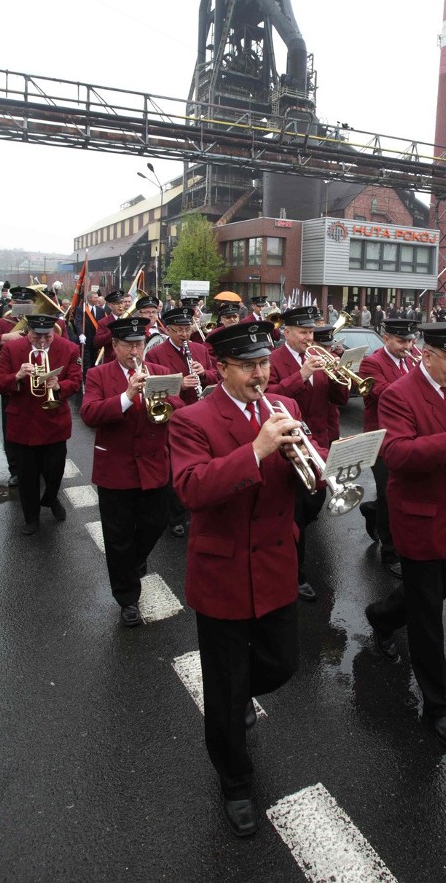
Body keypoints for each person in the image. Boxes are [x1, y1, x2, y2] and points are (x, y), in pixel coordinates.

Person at [169, 321, 309, 837]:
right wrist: (255, 451)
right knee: (226, 691)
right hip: (223, 568)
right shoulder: (193, 419)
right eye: (248, 365)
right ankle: (235, 781)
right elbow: (190, 488)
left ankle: (236, 696)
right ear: (221, 367)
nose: (260, 373)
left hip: (274, 560)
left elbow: (303, 480)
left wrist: (326, 470)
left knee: (282, 663)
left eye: (264, 364)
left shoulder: (286, 409)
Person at [363, 322, 446, 751]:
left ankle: (381, 616)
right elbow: (396, 454)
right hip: (419, 519)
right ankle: (439, 706)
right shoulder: (399, 394)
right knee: (427, 618)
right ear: (426, 353)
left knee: (438, 592)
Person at [81, 316, 185, 626]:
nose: (135, 351)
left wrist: (163, 398)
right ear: (114, 346)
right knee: (117, 537)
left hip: (154, 464)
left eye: (139, 344)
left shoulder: (163, 372)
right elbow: (89, 413)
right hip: (116, 468)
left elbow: (181, 410)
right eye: (128, 345)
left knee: (155, 523)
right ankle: (127, 598)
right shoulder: (99, 374)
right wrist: (127, 397)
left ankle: (135, 559)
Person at [268, 304, 348, 601]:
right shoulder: (272, 360)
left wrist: (341, 374)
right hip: (292, 444)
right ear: (286, 332)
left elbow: (336, 399)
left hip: (321, 442)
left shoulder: (317, 356)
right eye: (303, 332)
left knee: (313, 505)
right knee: (298, 512)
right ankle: (296, 575)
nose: (309, 337)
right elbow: (269, 398)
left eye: (311, 331)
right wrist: (299, 375)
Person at [0, 314, 82, 535]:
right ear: (28, 332)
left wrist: (59, 385)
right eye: (36, 336)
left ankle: (51, 498)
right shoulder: (12, 349)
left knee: (54, 471)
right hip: (24, 421)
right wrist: (18, 376)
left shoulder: (69, 348)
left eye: (47, 337)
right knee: (27, 476)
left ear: (54, 332)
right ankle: (31, 518)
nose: (41, 342)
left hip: (54, 421)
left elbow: (77, 380)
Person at [145, 305, 220, 537]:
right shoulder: (155, 354)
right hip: (175, 416)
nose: (185, 334)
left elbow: (217, 375)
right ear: (167, 330)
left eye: (187, 329)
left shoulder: (199, 348)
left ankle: (196, 506)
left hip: (201, 413)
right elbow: (154, 388)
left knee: (203, 461)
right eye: (179, 330)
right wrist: (180, 385)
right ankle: (175, 516)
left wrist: (204, 374)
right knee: (176, 466)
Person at [359, 317, 419, 577]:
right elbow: (385, 393)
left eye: (409, 340)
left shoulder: (410, 360)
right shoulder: (372, 363)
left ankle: (373, 511)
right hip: (380, 440)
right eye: (401, 341)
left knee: (396, 492)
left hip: (407, 436)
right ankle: (390, 552)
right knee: (389, 493)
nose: (407, 346)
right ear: (386, 339)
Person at [0, 286, 39, 487]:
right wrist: (7, 338)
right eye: (19, 303)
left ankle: (38, 466)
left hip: (37, 380)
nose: (23, 308)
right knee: (11, 428)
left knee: (38, 425)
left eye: (28, 304)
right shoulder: (1, 323)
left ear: (33, 305)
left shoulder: (40, 322)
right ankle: (15, 469)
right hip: (11, 382)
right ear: (12, 303)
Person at [92, 290, 130, 364]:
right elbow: (97, 342)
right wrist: (112, 332)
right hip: (111, 361)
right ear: (110, 305)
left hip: (128, 360)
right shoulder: (103, 322)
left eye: (122, 303)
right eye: (117, 303)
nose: (120, 306)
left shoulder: (129, 319)